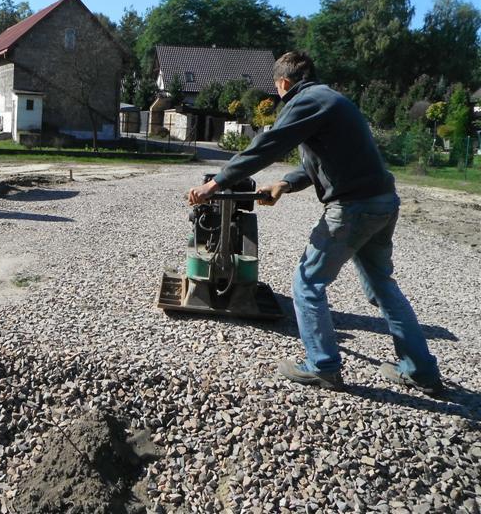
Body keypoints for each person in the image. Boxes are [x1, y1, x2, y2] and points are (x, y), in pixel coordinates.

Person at [188, 51, 443, 395]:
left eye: (277, 88)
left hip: (354, 207)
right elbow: (325, 159)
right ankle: (421, 370)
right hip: (383, 201)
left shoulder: (305, 101)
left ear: (283, 83)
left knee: (307, 282)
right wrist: (286, 184)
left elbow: (266, 146)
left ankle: (322, 366)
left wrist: (214, 184)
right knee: (382, 284)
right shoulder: (331, 100)